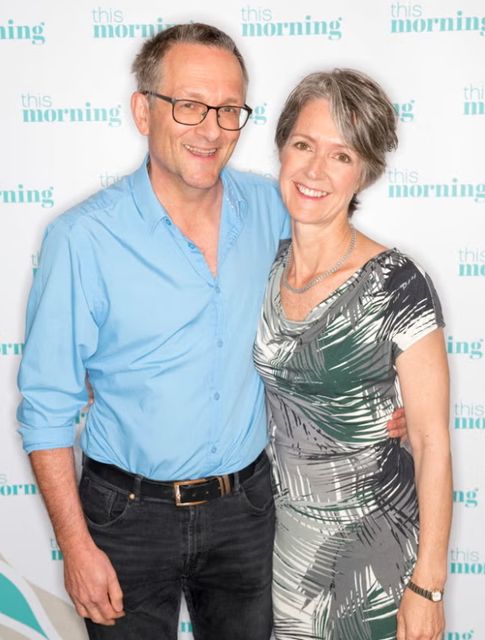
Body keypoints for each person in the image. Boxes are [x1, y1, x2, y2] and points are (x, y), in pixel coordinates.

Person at [17, 24, 406, 640]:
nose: (211, 129)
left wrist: (375, 394)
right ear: (144, 110)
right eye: (190, 105)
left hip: (248, 509)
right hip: (125, 518)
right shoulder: (82, 241)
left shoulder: (276, 207)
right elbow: (46, 408)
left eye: (229, 110)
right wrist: (75, 546)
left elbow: (338, 289)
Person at [253, 69, 452, 640]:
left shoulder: (397, 283)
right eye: (304, 145)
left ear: (365, 170)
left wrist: (428, 586)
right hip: (283, 558)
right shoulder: (261, 264)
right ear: (282, 149)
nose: (315, 170)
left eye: (341, 156)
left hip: (375, 563)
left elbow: (433, 442)